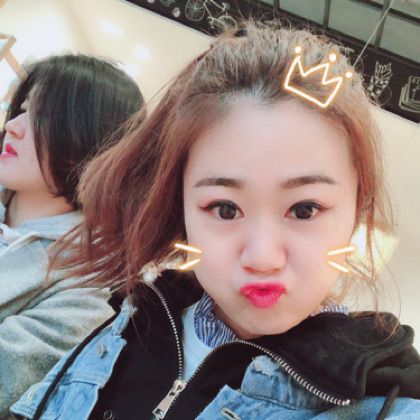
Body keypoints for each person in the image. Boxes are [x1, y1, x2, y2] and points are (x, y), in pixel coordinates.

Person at [11, 22, 420, 420]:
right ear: (181, 206)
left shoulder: (384, 403)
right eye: (225, 209)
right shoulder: (128, 321)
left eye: (304, 210)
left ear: (356, 209)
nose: (262, 258)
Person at [0, 54, 143, 416]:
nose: (13, 126)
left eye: (43, 118)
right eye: (22, 109)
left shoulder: (87, 287)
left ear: (93, 144)